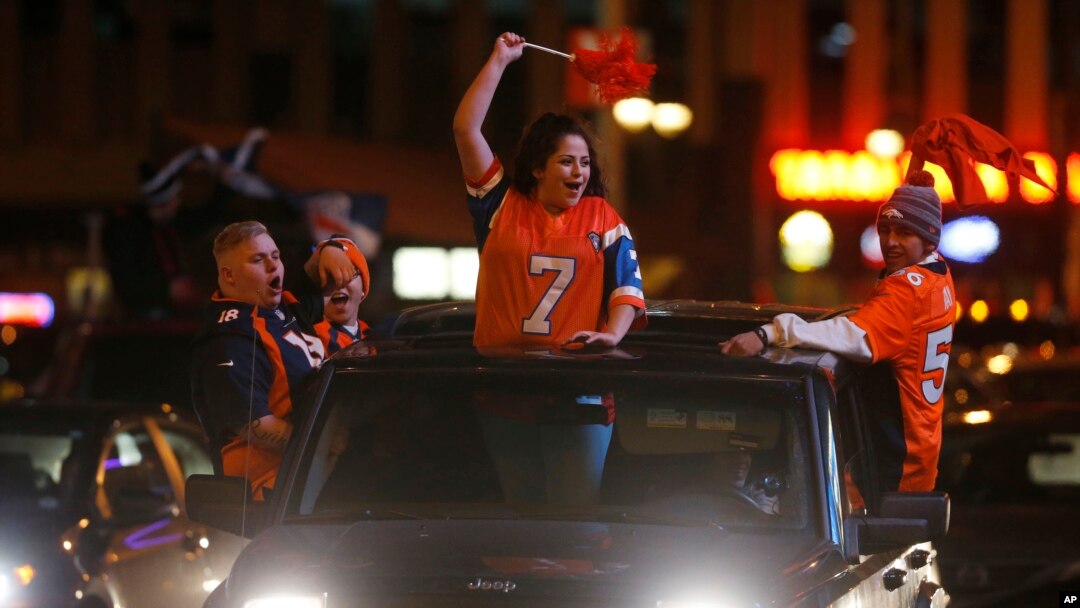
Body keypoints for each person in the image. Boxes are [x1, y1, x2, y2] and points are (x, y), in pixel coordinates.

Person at [452, 32, 646, 505]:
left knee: (572, 517)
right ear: (538, 166)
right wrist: (498, 60)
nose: (579, 171)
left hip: (577, 388)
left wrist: (613, 336)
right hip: (504, 386)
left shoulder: (604, 217)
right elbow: (465, 130)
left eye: (584, 162)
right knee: (520, 514)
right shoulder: (500, 205)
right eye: (566, 161)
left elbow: (627, 288)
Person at [720, 170, 956, 495]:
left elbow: (855, 336)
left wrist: (771, 332)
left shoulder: (907, 290)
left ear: (929, 240)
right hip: (916, 455)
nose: (889, 242)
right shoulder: (939, 275)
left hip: (891, 469)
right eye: (885, 229)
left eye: (904, 232)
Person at [190, 221, 356, 500]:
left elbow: (321, 268)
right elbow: (253, 424)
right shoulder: (228, 338)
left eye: (275, 257)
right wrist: (324, 440)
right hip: (274, 498)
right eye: (258, 259)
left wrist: (334, 247)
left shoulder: (282, 309)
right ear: (229, 276)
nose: (272, 267)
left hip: (320, 478)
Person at [313, 238, 371, 355]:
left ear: (363, 288)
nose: (339, 281)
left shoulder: (375, 336)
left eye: (349, 272)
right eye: (329, 275)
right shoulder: (310, 336)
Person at [709, 450, 780, 515]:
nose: (741, 461)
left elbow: (764, 523)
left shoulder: (763, 494)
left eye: (746, 452)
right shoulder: (699, 492)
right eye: (730, 453)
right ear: (712, 459)